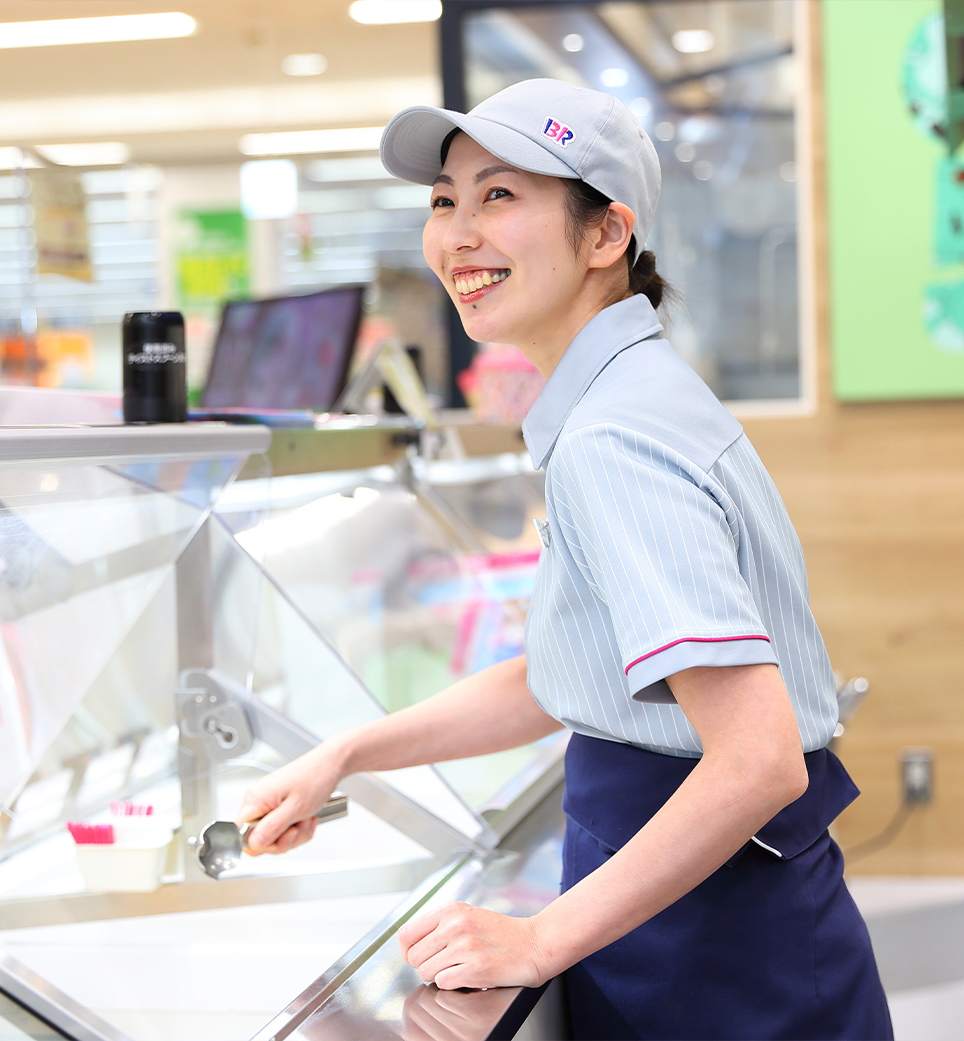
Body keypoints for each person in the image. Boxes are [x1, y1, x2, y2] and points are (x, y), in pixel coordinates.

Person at [236, 79, 892, 1041]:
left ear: (605, 235)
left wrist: (538, 939)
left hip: (721, 955)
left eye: (499, 195)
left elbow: (758, 761)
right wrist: (345, 754)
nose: (458, 234)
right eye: (444, 200)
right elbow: (570, 674)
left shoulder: (612, 439)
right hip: (699, 918)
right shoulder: (627, 396)